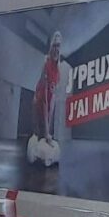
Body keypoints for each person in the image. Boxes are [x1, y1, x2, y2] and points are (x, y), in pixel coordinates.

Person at [26, 31, 65, 167]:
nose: (56, 49)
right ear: (50, 47)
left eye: (59, 46)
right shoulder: (46, 63)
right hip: (39, 101)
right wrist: (47, 132)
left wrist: (49, 130)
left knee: (47, 138)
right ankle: (35, 153)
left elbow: (52, 99)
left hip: (47, 101)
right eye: (54, 45)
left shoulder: (57, 67)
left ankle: (43, 153)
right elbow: (44, 100)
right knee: (39, 135)